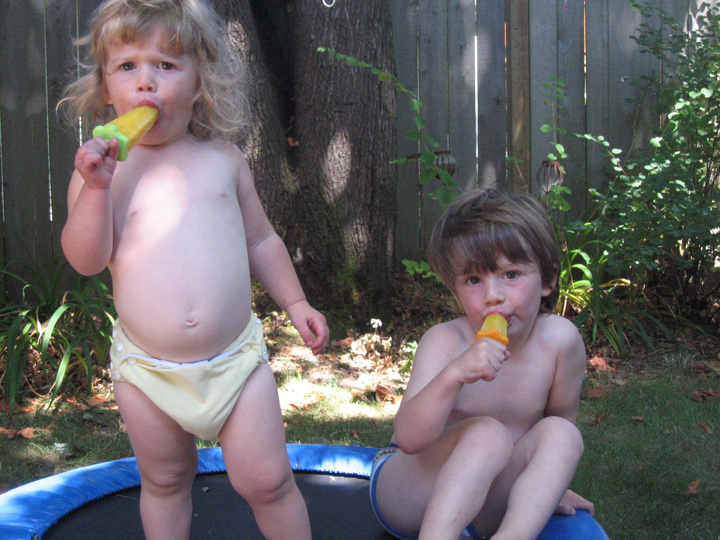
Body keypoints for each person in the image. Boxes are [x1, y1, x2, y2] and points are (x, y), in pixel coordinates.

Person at [60, 1, 328, 539]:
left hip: (236, 362)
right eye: (128, 66)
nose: (146, 84)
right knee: (165, 480)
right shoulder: (104, 173)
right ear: (106, 88)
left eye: (166, 65)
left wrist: (296, 303)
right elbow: (86, 261)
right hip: (147, 369)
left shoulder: (223, 159)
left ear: (200, 80)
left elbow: (261, 239)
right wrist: (94, 190)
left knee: (270, 480)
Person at [369, 189, 593, 540]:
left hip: (487, 500)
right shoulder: (445, 341)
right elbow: (409, 439)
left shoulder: (560, 342)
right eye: (474, 280)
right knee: (487, 434)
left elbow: (561, 418)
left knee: (564, 435)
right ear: (455, 289)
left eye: (511, 274)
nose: (493, 295)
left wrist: (547, 483)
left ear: (547, 279)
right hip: (411, 492)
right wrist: (454, 374)